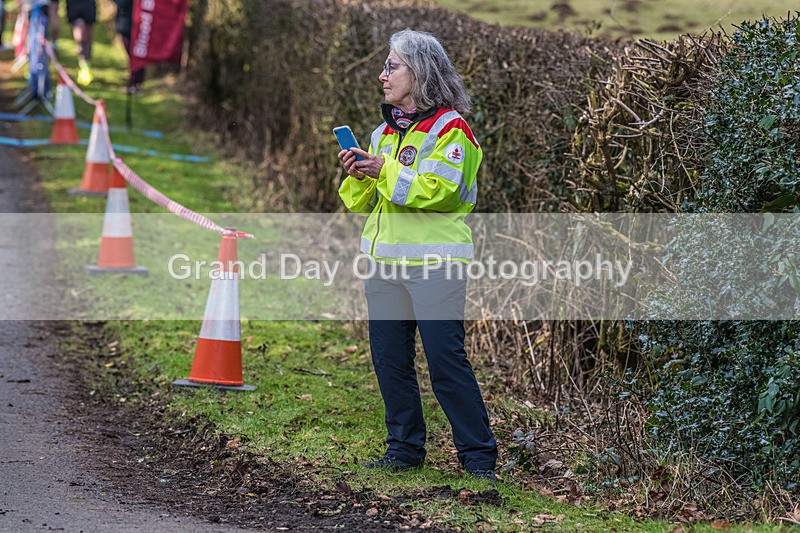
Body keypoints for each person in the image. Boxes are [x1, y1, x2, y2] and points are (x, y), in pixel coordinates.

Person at [337, 29, 498, 481]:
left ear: (420, 72)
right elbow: (363, 201)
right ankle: (404, 450)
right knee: (390, 361)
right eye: (384, 66)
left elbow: (440, 191)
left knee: (445, 362)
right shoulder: (383, 132)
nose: (382, 75)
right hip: (384, 263)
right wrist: (358, 174)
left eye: (392, 66)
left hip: (435, 264)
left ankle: (479, 458)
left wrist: (383, 169)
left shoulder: (452, 130)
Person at [49, 0, 95, 85]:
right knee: (81, 36)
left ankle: (87, 64)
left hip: (88, 3)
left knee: (88, 34)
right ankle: (83, 64)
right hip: (73, 4)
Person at [113, 0, 144, 93]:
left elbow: (122, 3)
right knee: (135, 55)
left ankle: (135, 84)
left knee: (134, 55)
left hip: (129, 25)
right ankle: (136, 83)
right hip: (130, 24)